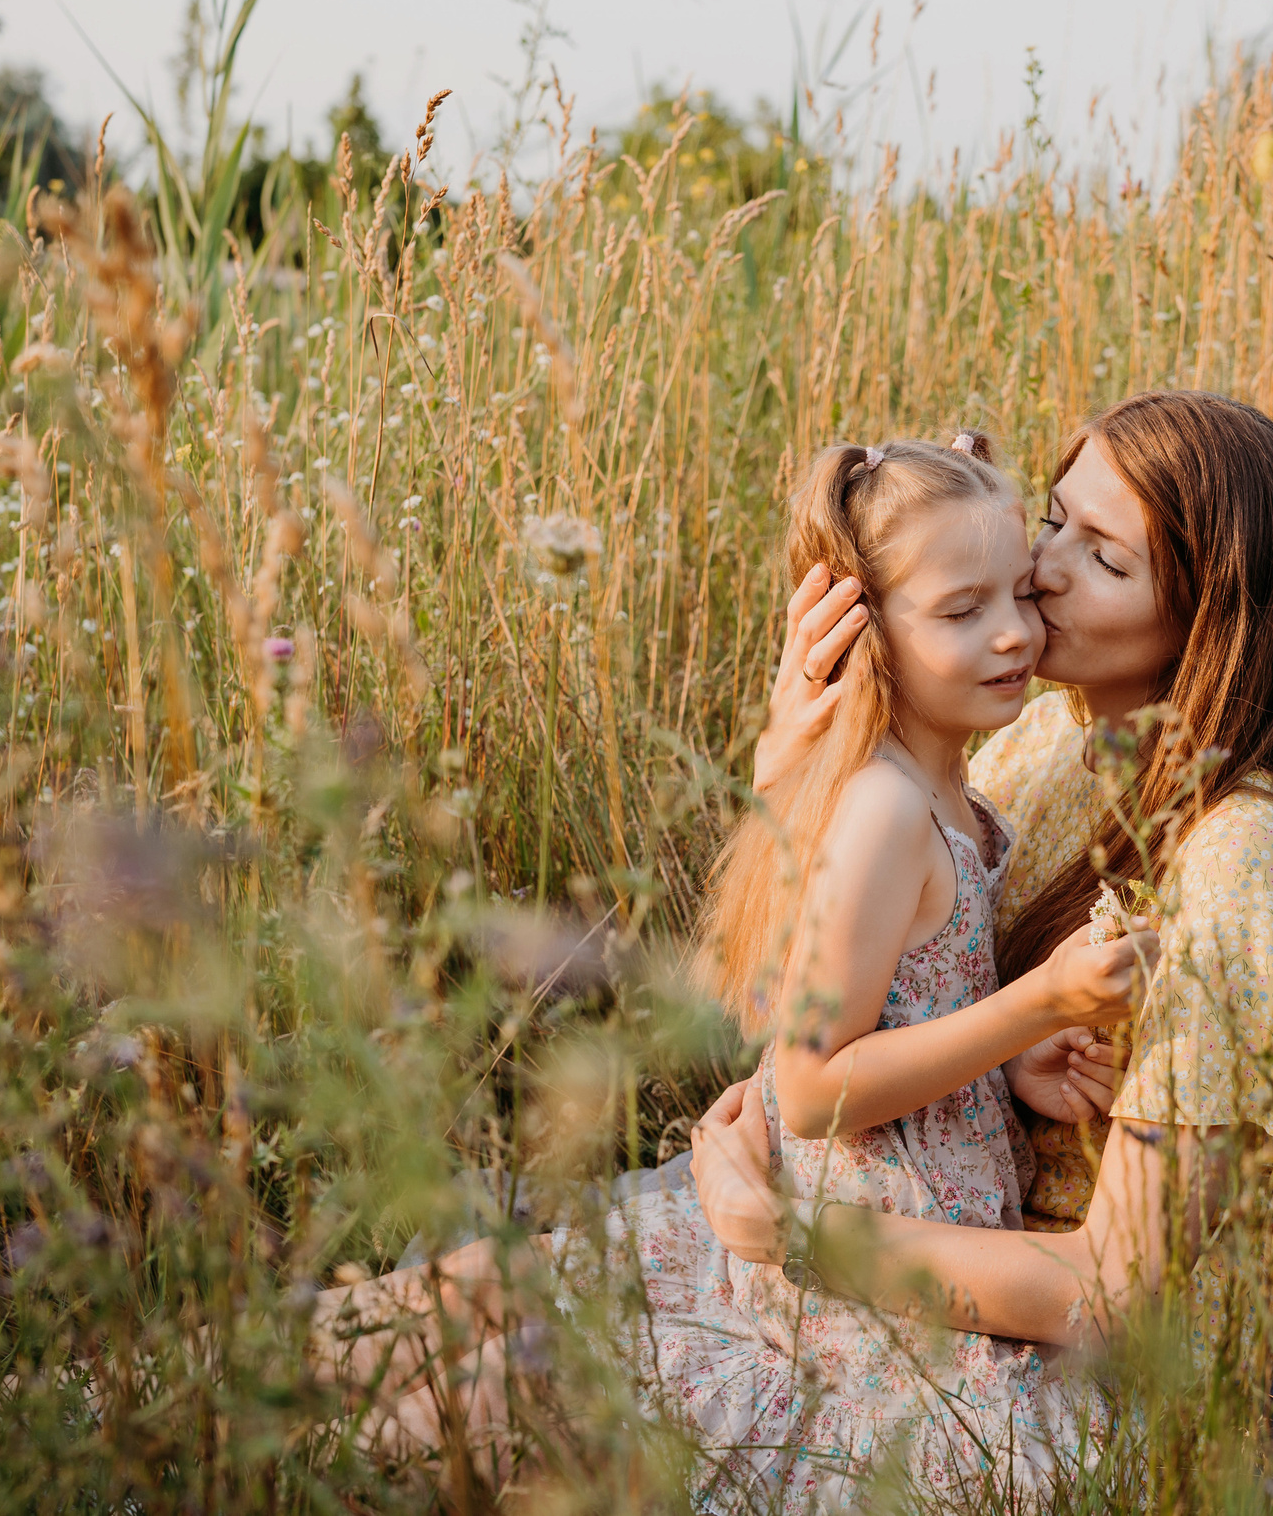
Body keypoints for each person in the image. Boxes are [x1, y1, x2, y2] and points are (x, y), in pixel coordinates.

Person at [308, 433, 1159, 1506]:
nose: (1011, 634)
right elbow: (809, 1085)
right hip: (861, 1279)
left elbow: (897, 1002)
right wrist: (1036, 1002)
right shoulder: (889, 809)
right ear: (868, 634)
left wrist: (1006, 1058)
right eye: (958, 611)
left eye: (1015, 598)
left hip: (907, 1224)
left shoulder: (962, 802)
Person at [689, 390, 1273, 1372]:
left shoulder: (1237, 854)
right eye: (1054, 520)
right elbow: (841, 1010)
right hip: (905, 1229)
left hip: (1053, 1347)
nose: (1040, 573)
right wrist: (790, 767)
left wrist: (795, 1234)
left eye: (1104, 558)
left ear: (1205, 616)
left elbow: (1117, 1298)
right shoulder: (1039, 740)